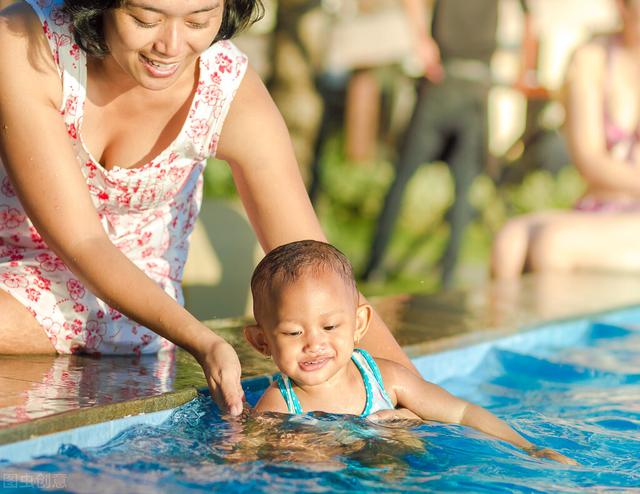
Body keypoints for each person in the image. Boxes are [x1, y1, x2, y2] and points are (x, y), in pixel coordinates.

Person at [0, 0, 413, 417]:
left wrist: (413, 398)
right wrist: (202, 339)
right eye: (145, 19)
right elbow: (80, 236)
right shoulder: (26, 42)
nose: (172, 45)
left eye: (199, 20)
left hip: (124, 309)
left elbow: (317, 268)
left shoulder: (226, 90)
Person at [243, 239, 576, 465]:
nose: (314, 343)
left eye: (330, 327)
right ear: (262, 342)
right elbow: (249, 459)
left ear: (360, 324)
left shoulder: (385, 379)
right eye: (293, 332)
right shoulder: (279, 405)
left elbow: (461, 414)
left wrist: (529, 448)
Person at [361, 0, 534, 288]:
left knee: (427, 183)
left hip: (463, 86)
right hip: (453, 81)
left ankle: (381, 270)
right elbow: (531, 19)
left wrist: (422, 39)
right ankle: (433, 276)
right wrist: (525, 68)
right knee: (448, 187)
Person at [491, 0, 640, 279]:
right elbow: (589, 160)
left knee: (552, 244)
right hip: (605, 207)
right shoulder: (592, 58)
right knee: (508, 242)